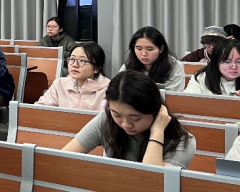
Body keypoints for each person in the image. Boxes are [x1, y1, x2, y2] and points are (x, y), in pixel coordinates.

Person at [62, 70, 196, 168]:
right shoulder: (106, 120)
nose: (126, 124)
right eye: (117, 115)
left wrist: (157, 132)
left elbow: (153, 183)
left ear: (155, 110)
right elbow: (63, 158)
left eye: (135, 118)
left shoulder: (182, 140)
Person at [35, 42, 110, 111]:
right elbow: (39, 110)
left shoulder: (107, 90)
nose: (74, 65)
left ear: (96, 68)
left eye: (82, 61)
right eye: (72, 59)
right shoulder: (59, 84)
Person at [120, 26, 185, 92]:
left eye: (150, 49)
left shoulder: (175, 66)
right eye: (139, 49)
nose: (144, 54)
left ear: (161, 49)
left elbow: (173, 95)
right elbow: (119, 89)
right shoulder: (128, 66)